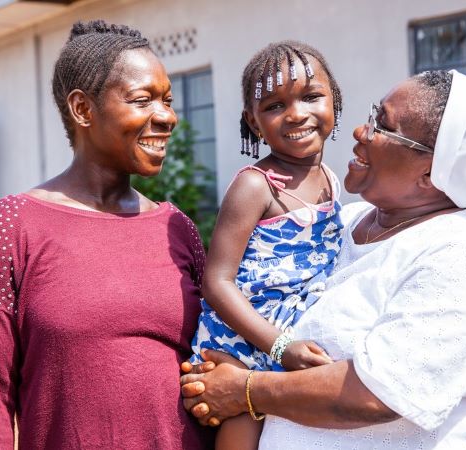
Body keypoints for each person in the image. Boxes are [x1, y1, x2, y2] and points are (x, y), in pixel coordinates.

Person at [180, 70, 466, 449]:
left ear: (431, 172)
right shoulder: (340, 221)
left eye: (383, 125)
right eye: (373, 113)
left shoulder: (460, 256)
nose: (362, 131)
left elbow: (375, 394)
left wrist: (246, 389)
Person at [0, 20, 212, 449]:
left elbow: (211, 364)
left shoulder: (178, 229)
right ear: (82, 109)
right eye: (143, 100)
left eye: (167, 101)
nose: (167, 117)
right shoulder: (11, 227)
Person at [187, 41, 343, 450]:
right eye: (274, 106)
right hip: (244, 337)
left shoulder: (331, 178)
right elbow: (217, 281)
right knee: (246, 416)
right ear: (253, 122)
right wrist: (279, 344)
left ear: (335, 101)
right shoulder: (254, 185)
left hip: (290, 331)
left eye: (311, 97)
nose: (296, 114)